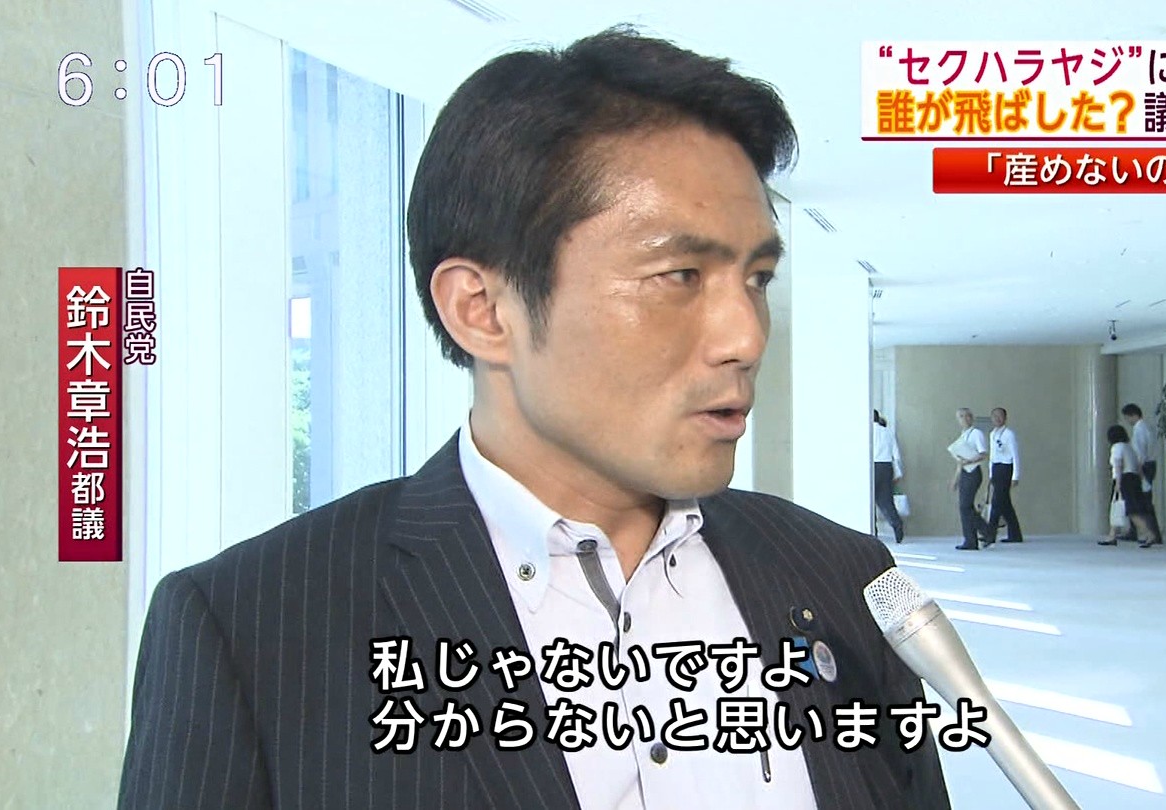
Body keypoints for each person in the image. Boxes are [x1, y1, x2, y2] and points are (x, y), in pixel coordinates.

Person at [116, 27, 951, 810]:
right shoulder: (252, 629)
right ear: (482, 310)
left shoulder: (844, 578)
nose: (746, 336)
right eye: (680, 276)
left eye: (757, 279)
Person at [1098, 425, 1162, 547]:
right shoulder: (1129, 447)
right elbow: (1138, 466)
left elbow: (1118, 465)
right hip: (1134, 479)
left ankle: (1149, 534)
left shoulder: (1117, 447)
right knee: (1120, 507)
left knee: (1131, 510)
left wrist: (1118, 483)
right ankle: (1112, 535)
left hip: (1124, 479)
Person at [948, 408, 989, 551]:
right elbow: (960, 461)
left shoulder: (976, 433)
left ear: (971, 418)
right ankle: (974, 538)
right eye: (960, 416)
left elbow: (983, 454)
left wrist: (969, 461)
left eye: (966, 416)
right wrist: (955, 479)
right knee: (965, 507)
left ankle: (984, 532)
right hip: (965, 472)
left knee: (965, 506)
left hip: (973, 471)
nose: (963, 419)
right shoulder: (963, 435)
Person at [983, 407, 1024, 544]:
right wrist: (991, 473)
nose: (997, 419)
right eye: (994, 416)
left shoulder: (1009, 434)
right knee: (1005, 504)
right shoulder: (993, 434)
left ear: (1005, 418)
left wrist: (1015, 476)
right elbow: (992, 455)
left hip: (1006, 467)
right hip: (996, 468)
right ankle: (1015, 534)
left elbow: (1015, 455)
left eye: (1000, 416)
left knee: (997, 502)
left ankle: (990, 534)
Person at [1121, 403, 1159, 541]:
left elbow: (1140, 453)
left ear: (1133, 415)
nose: (1127, 421)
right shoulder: (1148, 427)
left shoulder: (1139, 429)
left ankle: (1151, 533)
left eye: (1127, 417)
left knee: (1141, 500)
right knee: (1143, 499)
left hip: (1142, 466)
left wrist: (1138, 471)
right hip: (1150, 464)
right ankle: (1139, 531)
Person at [872, 409, 906, 544]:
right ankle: (897, 525)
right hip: (886, 467)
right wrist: (898, 472)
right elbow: (896, 454)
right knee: (886, 500)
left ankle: (872, 530)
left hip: (872, 466)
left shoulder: (867, 431)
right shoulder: (888, 432)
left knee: (869, 500)